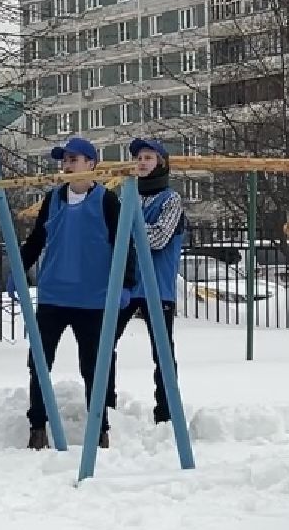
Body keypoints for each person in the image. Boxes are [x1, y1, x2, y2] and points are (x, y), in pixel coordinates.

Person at [19, 136, 130, 450]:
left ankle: (99, 428)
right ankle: (37, 425)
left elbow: (125, 244)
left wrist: (126, 283)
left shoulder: (107, 201)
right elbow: (36, 240)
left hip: (92, 298)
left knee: (94, 365)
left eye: (73, 160)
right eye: (64, 160)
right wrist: (17, 269)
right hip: (54, 295)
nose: (67, 165)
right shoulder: (53, 200)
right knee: (39, 361)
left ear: (91, 165)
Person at [108, 136, 184, 424]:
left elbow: (157, 238)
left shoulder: (171, 200)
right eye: (139, 158)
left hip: (157, 285)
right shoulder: (125, 195)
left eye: (148, 157)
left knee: (162, 351)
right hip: (126, 282)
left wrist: (127, 224)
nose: (141, 162)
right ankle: (106, 404)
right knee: (104, 344)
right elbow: (111, 235)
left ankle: (166, 413)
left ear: (161, 163)